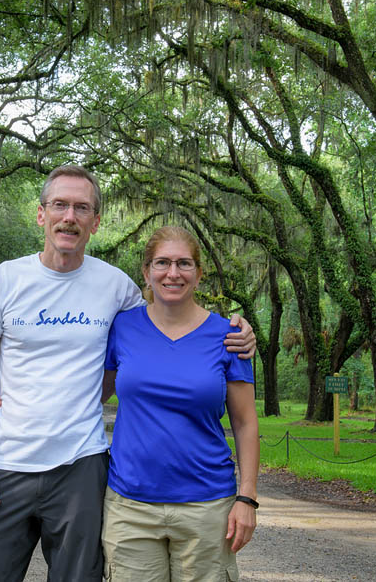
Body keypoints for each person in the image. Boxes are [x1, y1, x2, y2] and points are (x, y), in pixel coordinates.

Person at [0, 165, 255, 582]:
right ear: (41, 214)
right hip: (4, 465)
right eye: (59, 205)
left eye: (82, 208)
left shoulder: (117, 289)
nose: (70, 217)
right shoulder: (3, 280)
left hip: (81, 466)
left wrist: (237, 329)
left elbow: (165, 329)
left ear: (95, 222)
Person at [100, 225, 259, 582]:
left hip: (207, 506)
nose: (173, 273)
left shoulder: (230, 336)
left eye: (184, 263)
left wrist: (247, 499)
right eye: (162, 263)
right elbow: (95, 393)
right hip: (130, 506)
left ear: (199, 274)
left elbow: (246, 424)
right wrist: (18, 400)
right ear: (146, 272)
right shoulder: (122, 328)